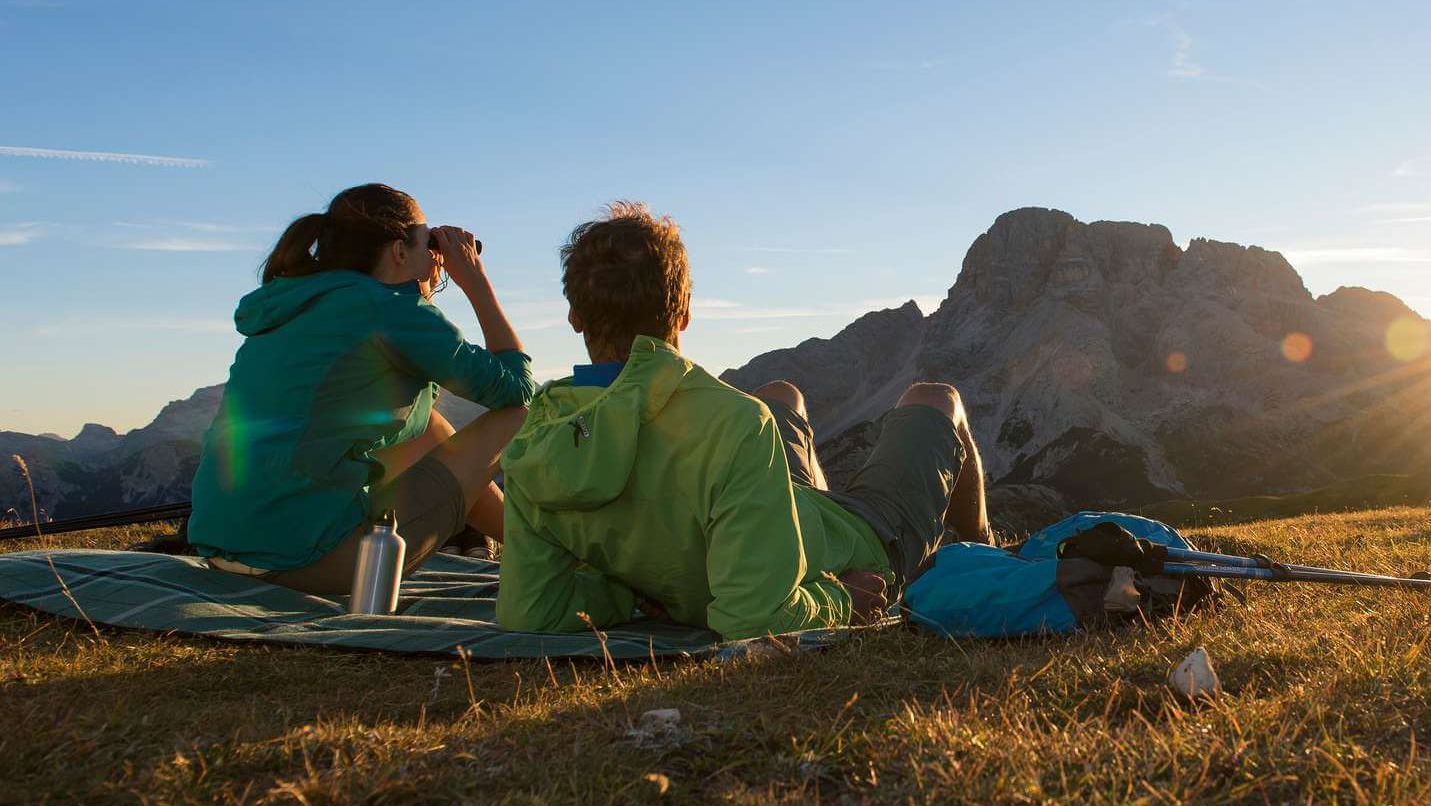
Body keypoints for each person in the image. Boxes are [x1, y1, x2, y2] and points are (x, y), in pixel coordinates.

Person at [496, 202, 993, 640]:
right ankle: (985, 549)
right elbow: (756, 619)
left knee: (782, 395)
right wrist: (845, 601)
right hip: (861, 545)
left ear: (575, 318)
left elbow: (533, 610)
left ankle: (813, 514)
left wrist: (634, 595)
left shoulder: (538, 440)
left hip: (764, 525)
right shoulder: (734, 422)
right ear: (684, 312)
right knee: (937, 398)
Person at [187, 184, 537, 593]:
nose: (434, 253)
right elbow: (516, 389)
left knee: (429, 427)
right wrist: (475, 281)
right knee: (515, 417)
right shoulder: (388, 308)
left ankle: (529, 546)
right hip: (310, 560)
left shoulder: (299, 300)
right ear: (399, 251)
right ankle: (542, 548)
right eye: (427, 241)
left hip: (227, 550)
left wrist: (420, 287)